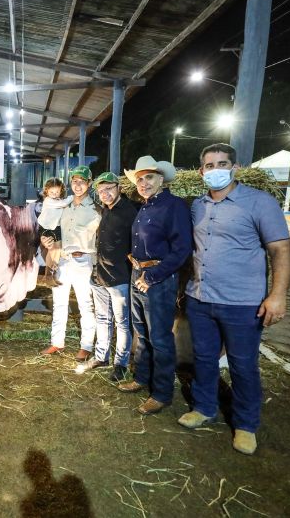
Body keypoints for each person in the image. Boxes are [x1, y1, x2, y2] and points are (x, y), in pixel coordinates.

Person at [179, 143, 290, 456]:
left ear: (235, 167)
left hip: (242, 302)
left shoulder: (259, 202)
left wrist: (278, 295)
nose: (216, 170)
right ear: (201, 171)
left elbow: (280, 250)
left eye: (222, 163)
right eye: (210, 165)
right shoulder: (197, 206)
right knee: (203, 357)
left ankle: (245, 424)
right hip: (200, 297)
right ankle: (204, 408)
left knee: (243, 365)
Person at [117, 156, 192, 415]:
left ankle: (161, 393)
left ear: (161, 179)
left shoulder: (174, 206)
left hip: (156, 279)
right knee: (143, 332)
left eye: (149, 177)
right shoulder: (145, 207)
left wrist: (153, 275)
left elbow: (182, 249)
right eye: (139, 179)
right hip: (138, 274)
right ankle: (141, 378)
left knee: (160, 337)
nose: (143, 182)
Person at [39, 166, 101, 361]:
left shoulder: (96, 210)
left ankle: (86, 345)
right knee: (59, 303)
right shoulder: (63, 206)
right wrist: (45, 240)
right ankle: (57, 342)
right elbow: (50, 229)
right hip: (63, 259)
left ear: (89, 184)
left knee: (85, 304)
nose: (78, 185)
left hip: (83, 260)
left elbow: (101, 238)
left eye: (82, 181)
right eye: (75, 181)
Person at [86, 172, 139, 382]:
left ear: (119, 188)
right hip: (100, 274)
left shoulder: (129, 211)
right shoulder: (105, 210)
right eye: (101, 190)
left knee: (122, 323)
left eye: (109, 189)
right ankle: (101, 356)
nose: (105, 194)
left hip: (119, 276)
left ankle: (121, 364)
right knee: (102, 318)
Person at [37, 178, 70, 287]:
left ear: (61, 191)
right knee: (53, 250)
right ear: (47, 191)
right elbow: (63, 203)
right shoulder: (48, 200)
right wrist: (73, 197)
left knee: (58, 250)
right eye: (52, 192)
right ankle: (48, 276)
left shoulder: (58, 200)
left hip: (56, 227)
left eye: (57, 192)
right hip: (47, 227)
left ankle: (53, 274)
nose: (54, 194)